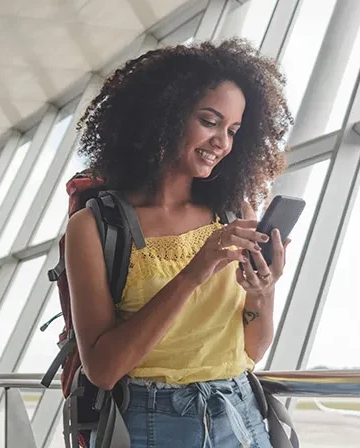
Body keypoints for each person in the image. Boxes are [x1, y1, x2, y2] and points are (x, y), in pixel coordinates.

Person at [66, 38, 293, 448]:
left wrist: (262, 291)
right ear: (164, 115)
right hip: (151, 424)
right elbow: (102, 369)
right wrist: (194, 271)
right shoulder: (94, 227)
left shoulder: (233, 211)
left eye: (233, 131)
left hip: (242, 413)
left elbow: (252, 349)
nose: (222, 143)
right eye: (209, 121)